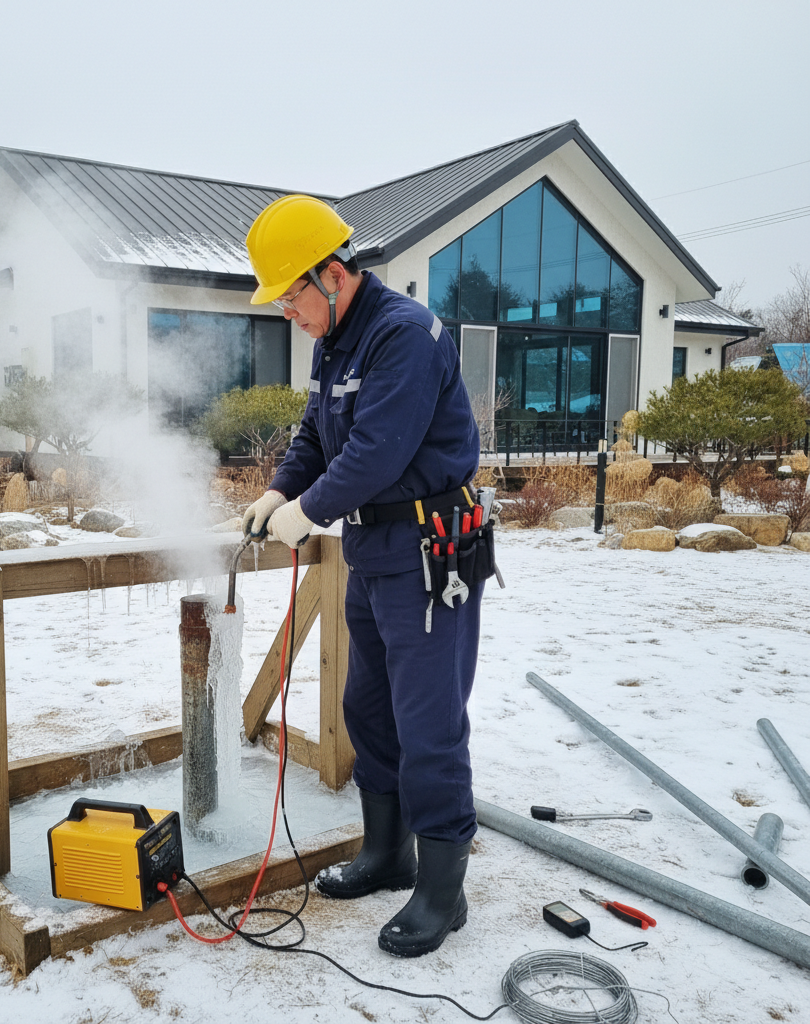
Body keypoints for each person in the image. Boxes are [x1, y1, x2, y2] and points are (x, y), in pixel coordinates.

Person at [241, 195, 484, 958]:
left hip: (429, 551)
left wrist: (307, 509)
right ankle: (388, 852)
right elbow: (318, 430)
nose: (288, 313)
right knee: (366, 705)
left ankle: (444, 890)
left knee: (428, 722)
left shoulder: (402, 337)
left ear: (333, 275)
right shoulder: (336, 341)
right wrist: (284, 488)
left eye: (290, 296)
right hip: (374, 553)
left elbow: (376, 449)